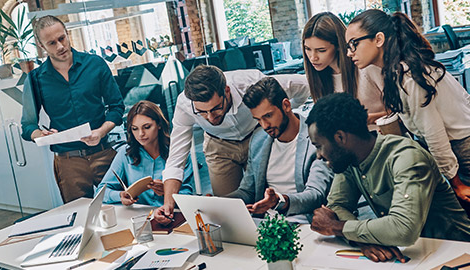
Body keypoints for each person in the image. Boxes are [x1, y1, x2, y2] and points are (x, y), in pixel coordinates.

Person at [307, 93, 470, 262]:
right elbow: (336, 207)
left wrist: (336, 227)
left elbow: (403, 229)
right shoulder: (349, 160)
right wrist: (362, 240)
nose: (319, 156)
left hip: (456, 251)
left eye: (319, 146)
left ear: (340, 137)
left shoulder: (406, 157)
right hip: (414, 255)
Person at [345, 9, 470, 213]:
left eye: (354, 44)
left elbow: (434, 133)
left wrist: (455, 183)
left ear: (378, 39)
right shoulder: (396, 72)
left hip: (463, 151)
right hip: (457, 152)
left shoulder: (410, 77)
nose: (350, 52)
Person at [156, 65, 309, 224]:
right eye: (202, 112)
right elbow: (175, 160)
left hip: (259, 135)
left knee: (265, 196)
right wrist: (168, 204)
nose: (210, 117)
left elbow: (305, 86)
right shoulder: (185, 105)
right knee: (227, 214)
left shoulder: (251, 82)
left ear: (226, 91)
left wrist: (289, 115)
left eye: (216, 108)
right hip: (219, 144)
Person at [21, 15, 124, 203]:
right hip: (68, 163)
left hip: (104, 153)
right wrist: (40, 135)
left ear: (67, 34)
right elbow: (27, 126)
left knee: (120, 208)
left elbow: (117, 107)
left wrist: (101, 132)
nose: (60, 46)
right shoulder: (35, 79)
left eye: (62, 38)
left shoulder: (95, 64)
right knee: (80, 218)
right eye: (51, 43)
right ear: (42, 47)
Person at [226, 77, 333, 223]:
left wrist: (279, 201)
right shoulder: (258, 139)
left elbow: (315, 194)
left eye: (268, 116)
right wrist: (218, 203)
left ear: (286, 105)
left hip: (304, 222)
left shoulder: (317, 138)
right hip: (265, 224)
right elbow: (247, 191)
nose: (264, 125)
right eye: (258, 119)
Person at [95, 101, 193, 206]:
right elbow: (100, 192)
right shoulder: (125, 154)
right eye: (135, 129)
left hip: (171, 214)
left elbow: (188, 196)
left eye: (147, 127)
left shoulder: (177, 153)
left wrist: (168, 191)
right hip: (138, 216)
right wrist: (120, 195)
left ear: (159, 124)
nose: (141, 134)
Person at [302, 12, 387, 126]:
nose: (313, 57)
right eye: (307, 49)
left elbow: (402, 111)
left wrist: (368, 119)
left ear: (338, 46)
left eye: (321, 50)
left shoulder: (367, 67)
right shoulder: (319, 77)